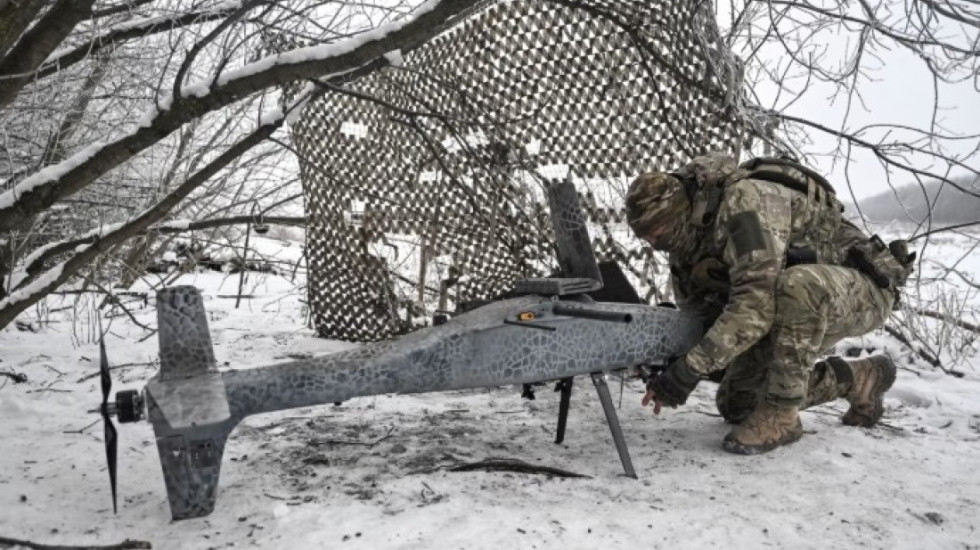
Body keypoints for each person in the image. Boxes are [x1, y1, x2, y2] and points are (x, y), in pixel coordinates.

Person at [625, 153, 915, 455]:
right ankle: (860, 378)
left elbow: (755, 306)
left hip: (863, 289)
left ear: (680, 212)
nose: (653, 243)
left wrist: (690, 369)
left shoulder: (744, 201)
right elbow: (699, 318)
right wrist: (670, 362)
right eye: (646, 237)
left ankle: (782, 415)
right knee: (739, 403)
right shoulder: (687, 239)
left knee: (797, 285)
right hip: (791, 304)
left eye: (657, 232)